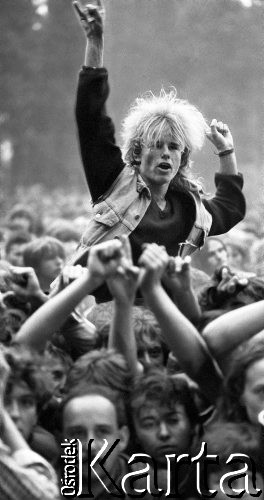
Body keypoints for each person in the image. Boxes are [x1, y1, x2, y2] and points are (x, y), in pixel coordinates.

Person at [71, 0, 245, 303]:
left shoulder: (190, 208)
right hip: (97, 306)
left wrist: (226, 151)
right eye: (157, 145)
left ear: (182, 159)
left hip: (161, 316)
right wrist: (95, 42)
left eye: (174, 147)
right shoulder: (114, 181)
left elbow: (230, 208)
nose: (166, 153)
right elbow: (90, 119)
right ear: (138, 153)